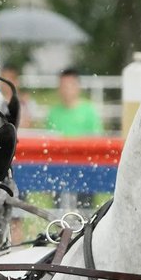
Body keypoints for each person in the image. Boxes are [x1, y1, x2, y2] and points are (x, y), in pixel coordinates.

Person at [47, 67, 103, 211]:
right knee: (59, 214)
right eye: (63, 86)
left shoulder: (89, 111)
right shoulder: (54, 112)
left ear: (77, 87)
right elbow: (49, 141)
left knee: (86, 212)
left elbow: (96, 140)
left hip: (84, 171)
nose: (66, 90)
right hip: (60, 171)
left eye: (70, 85)